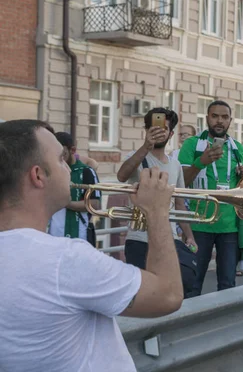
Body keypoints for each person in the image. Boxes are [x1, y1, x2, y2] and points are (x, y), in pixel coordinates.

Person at [0, 120, 183, 371]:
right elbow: (168, 295)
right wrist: (158, 212)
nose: (68, 167)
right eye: (61, 160)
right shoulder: (65, 260)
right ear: (38, 175)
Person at [179, 100, 243, 294]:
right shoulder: (192, 144)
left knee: (228, 286)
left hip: (229, 226)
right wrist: (201, 162)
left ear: (230, 121)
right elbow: (181, 182)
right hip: (198, 224)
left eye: (224, 117)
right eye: (215, 116)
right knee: (192, 285)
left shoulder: (237, 148)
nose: (219, 121)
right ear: (207, 118)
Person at [117, 108, 197, 271]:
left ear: (171, 134)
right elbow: (121, 176)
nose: (159, 133)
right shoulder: (136, 156)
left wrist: (189, 235)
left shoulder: (175, 165)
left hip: (169, 239)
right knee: (141, 293)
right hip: (139, 238)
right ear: (146, 131)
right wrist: (146, 146)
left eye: (164, 129)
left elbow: (179, 204)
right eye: (154, 128)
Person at [48, 132, 101, 245]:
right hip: (54, 237)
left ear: (72, 150)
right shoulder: (51, 171)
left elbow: (95, 204)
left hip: (80, 236)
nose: (59, 159)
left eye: (63, 154)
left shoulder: (87, 171)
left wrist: (66, 203)